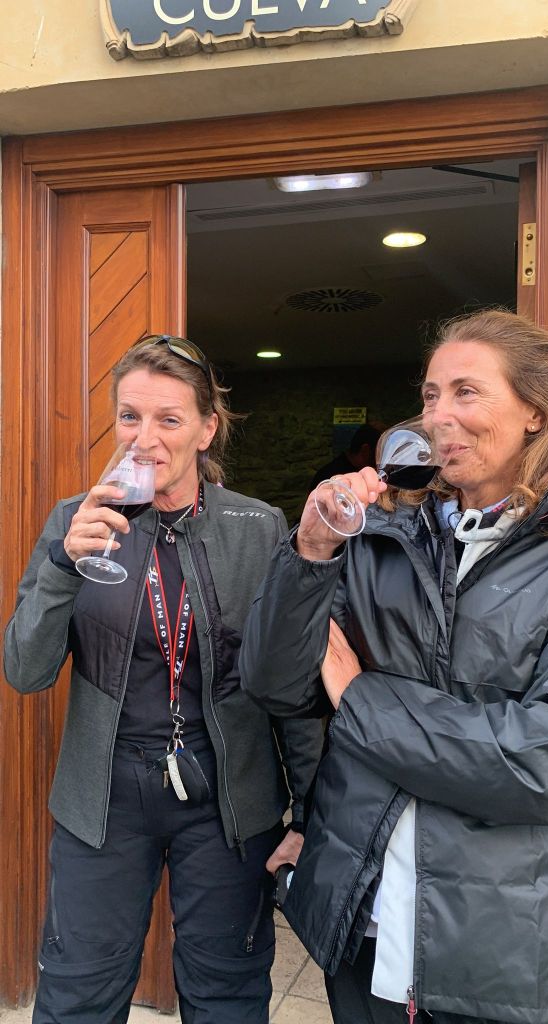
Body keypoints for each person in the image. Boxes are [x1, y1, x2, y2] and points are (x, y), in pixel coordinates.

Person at [240, 309, 548, 1024]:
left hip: (497, 950)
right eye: (429, 395)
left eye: (466, 392)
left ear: (536, 414)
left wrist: (362, 698)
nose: (438, 416)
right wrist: (309, 553)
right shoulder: (380, 539)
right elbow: (275, 685)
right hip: (361, 922)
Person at [3, 334, 323, 1024]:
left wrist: (310, 815)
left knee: (227, 992)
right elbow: (25, 671)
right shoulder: (74, 521)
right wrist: (61, 565)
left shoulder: (258, 528)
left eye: (168, 419)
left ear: (207, 429)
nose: (143, 439)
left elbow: (291, 688)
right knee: (78, 993)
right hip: (104, 795)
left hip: (227, 798)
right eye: (129, 416)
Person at [309, 423, 381, 492]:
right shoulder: (328, 477)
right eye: (379, 454)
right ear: (365, 450)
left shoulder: (328, 471)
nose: (380, 461)